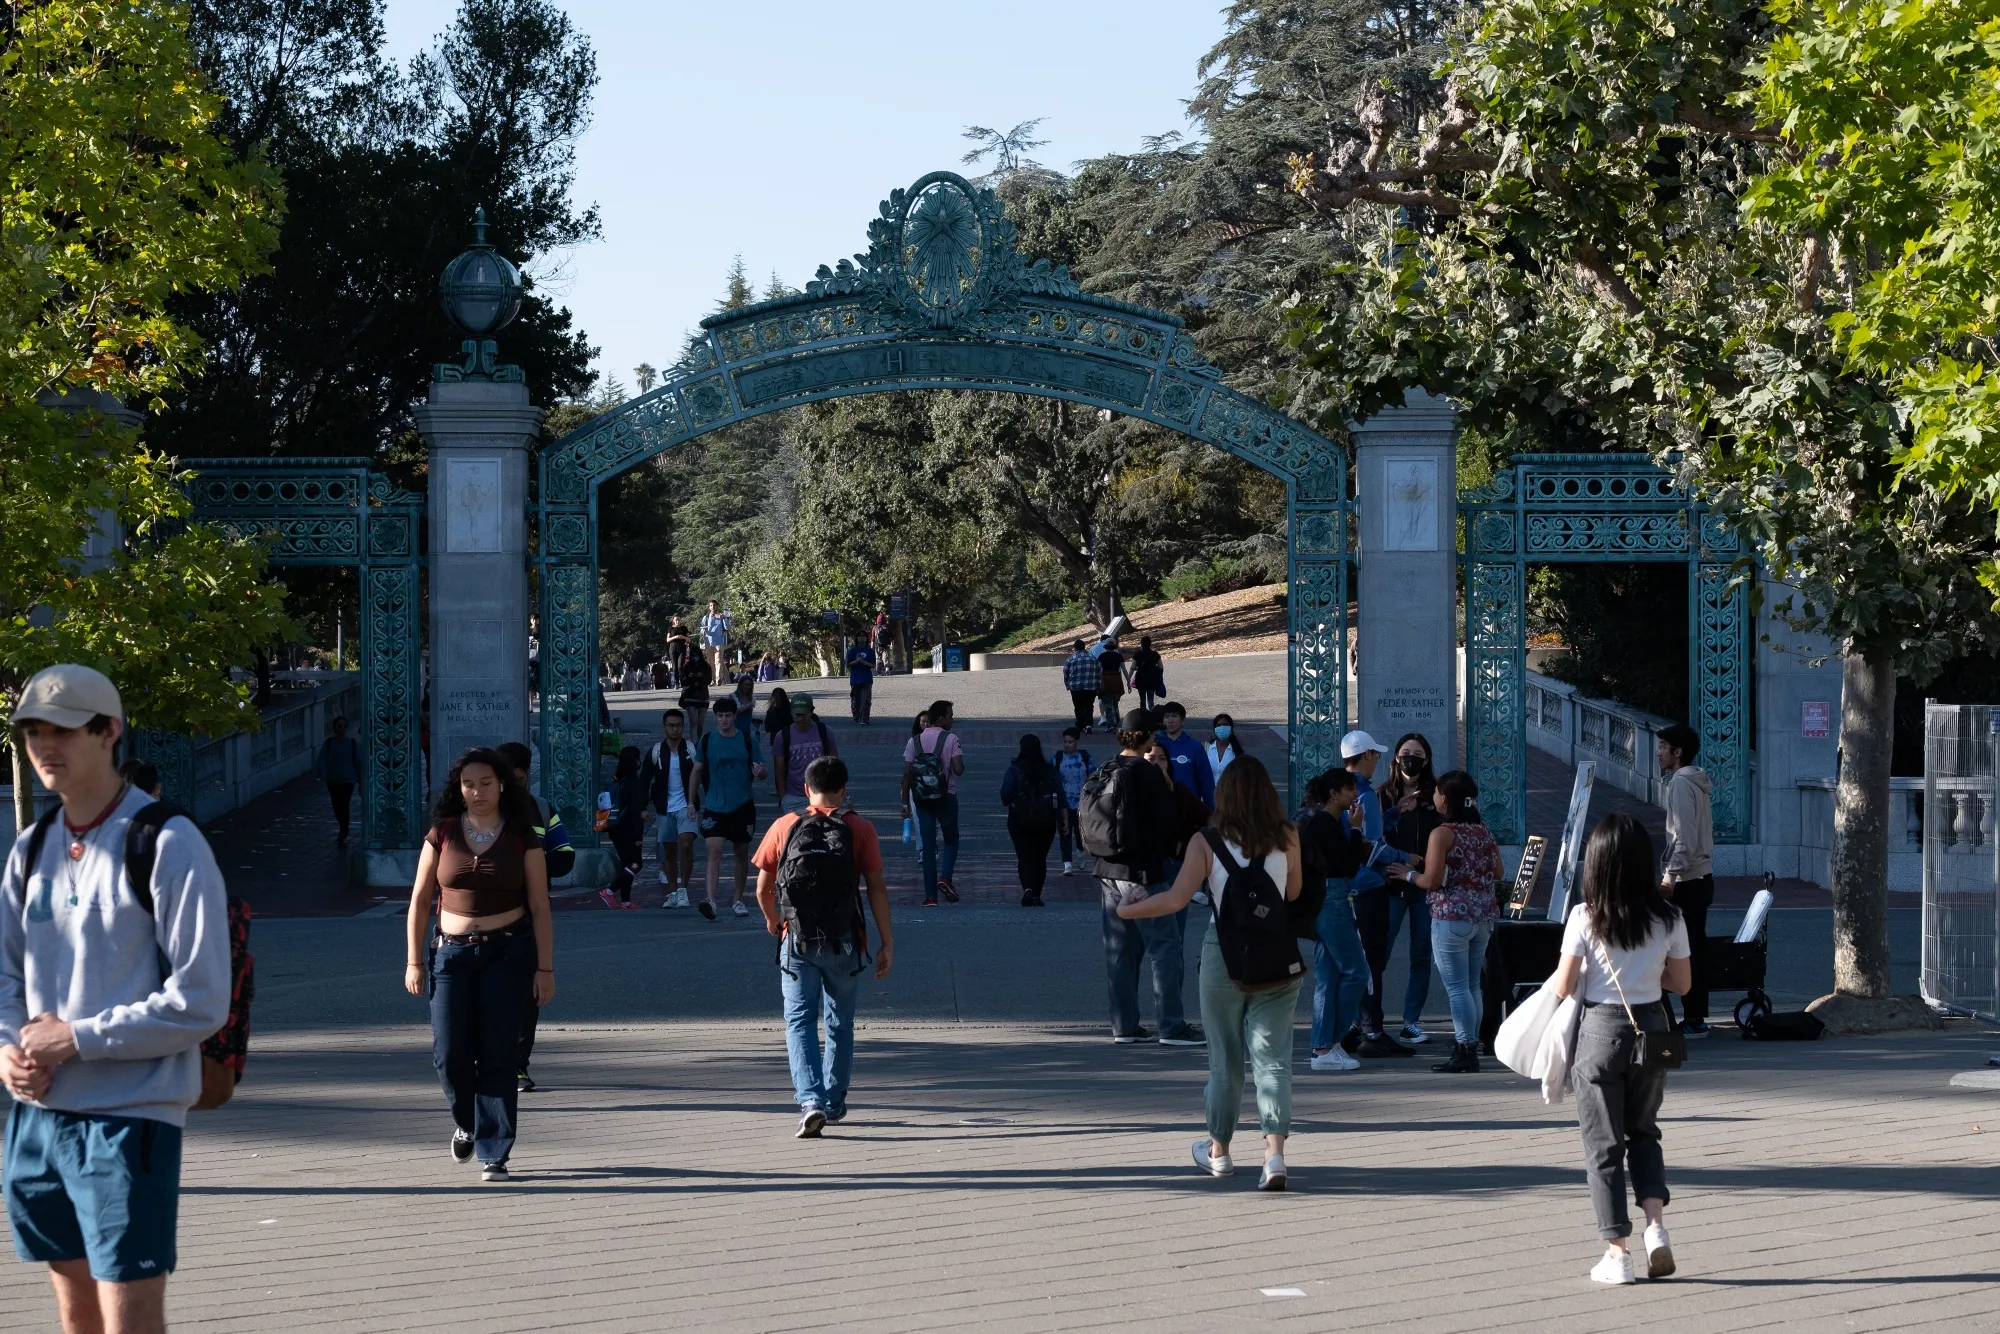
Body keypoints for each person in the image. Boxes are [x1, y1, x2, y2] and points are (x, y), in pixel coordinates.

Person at [3, 665, 231, 1333]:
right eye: (32, 732)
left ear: (110, 732)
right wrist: (6, 1050)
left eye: (65, 730)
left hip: (130, 1118)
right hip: (37, 1115)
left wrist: (75, 1037)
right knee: (77, 1316)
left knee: (129, 1319)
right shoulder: (31, 846)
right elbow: (4, 974)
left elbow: (200, 997)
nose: (45, 746)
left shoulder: (166, 841)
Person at [1119, 755, 1301, 1190]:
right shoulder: (1288, 834)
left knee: (1225, 1060)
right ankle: (1274, 1155)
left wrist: (1129, 910)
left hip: (1224, 956)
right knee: (1273, 1061)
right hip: (1277, 956)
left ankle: (1218, 1152)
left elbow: (1177, 900)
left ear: (1225, 795)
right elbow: (1292, 893)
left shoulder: (1207, 841)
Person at [403, 746, 555, 1182]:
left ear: (502, 784)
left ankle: (494, 1151)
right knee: (450, 1052)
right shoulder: (443, 832)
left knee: (498, 1053)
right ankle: (467, 1121)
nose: (477, 791)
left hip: (507, 953)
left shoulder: (522, 834)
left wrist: (545, 969)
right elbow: (418, 900)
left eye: (486, 783)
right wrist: (414, 961)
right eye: (469, 784)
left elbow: (540, 906)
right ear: (460, 788)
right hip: (450, 954)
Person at [1552, 812, 1691, 1284]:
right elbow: (1683, 984)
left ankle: (1618, 1253)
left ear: (1598, 863)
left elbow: (1565, 985)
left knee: (1603, 1146)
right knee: (1644, 1132)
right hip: (1652, 1028)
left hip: (1601, 1032)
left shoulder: (1585, 916)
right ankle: (1656, 1227)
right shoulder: (1669, 916)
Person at [752, 756, 895, 1137]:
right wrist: (886, 943)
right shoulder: (860, 829)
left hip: (796, 938)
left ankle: (810, 1101)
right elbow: (877, 889)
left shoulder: (785, 825)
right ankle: (833, 1101)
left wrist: (774, 921)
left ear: (805, 788)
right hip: (845, 938)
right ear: (845, 791)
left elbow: (763, 889)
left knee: (799, 1021)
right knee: (840, 1022)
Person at [1090, 710, 1200, 1047]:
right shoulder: (1146, 773)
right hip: (1143, 873)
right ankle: (1171, 1026)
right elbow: (1168, 825)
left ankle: (1124, 1026)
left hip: (1108, 869)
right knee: (1164, 946)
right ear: (1147, 736)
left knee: (1119, 951)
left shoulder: (1106, 768)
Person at [1387, 770, 1500, 1073]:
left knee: (1457, 987)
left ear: (1446, 799)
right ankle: (1471, 1042)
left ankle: (1465, 1048)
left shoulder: (1443, 833)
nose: (1434, 797)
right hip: (1482, 916)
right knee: (1473, 985)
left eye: (1437, 792)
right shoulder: (1483, 831)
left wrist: (1408, 875)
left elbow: (1431, 879)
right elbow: (1498, 871)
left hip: (1450, 915)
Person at [496, 741, 575, 1093]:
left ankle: (517, 1066)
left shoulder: (542, 810)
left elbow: (566, 856)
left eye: (515, 777)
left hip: (530, 918)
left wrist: (534, 866)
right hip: (488, 919)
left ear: (526, 775)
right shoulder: (486, 813)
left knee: (529, 996)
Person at [1337, 730, 1410, 1059]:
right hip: (1367, 886)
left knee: (1360, 961)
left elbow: (1368, 833)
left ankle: (1357, 1025)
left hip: (1353, 885)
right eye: (1375, 754)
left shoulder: (1344, 791)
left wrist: (1393, 814)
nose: (1379, 759)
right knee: (1370, 962)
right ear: (1364, 756)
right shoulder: (1363, 795)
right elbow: (1372, 846)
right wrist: (1405, 858)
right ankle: (1371, 1030)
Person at [1369, 732, 1441, 1046]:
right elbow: (1371, 840)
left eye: (1417, 753)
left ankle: (1411, 1021)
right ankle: (1369, 1020)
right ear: (1396, 758)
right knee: (1378, 954)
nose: (1410, 758)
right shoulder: (1381, 796)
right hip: (1391, 885)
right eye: (1405, 752)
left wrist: (1422, 867)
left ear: (1426, 760)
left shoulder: (1435, 797)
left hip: (1424, 885)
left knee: (1421, 954)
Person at [1300, 769, 1370, 1073]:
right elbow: (1348, 865)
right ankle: (1333, 1039)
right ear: (1334, 793)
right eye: (1349, 790)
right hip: (1332, 899)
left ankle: (1324, 1047)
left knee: (1328, 976)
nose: (1354, 796)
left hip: (1324, 898)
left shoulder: (1323, 821)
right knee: (1356, 971)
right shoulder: (1326, 823)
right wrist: (1356, 830)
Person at [1657, 723, 1714, 1038]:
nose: (1659, 752)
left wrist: (1669, 877)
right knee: (1693, 947)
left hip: (1688, 881)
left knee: (1679, 950)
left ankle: (1693, 1019)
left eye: (1663, 746)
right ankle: (1695, 1016)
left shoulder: (1681, 782)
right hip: (1703, 876)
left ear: (1678, 752)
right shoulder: (1696, 780)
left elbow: (1685, 838)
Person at [691, 697, 766, 920]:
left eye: (727, 715)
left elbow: (762, 771)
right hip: (715, 805)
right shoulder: (706, 741)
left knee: (741, 853)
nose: (723, 720)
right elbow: (696, 771)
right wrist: (690, 801)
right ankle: (710, 900)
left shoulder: (747, 739)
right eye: (720, 716)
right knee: (714, 850)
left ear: (735, 716)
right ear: (716, 718)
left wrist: (761, 773)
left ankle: (738, 899)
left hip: (742, 804)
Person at [903, 701, 964, 906]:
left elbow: (907, 774)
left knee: (928, 847)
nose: (952, 719)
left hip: (921, 798)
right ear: (941, 718)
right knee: (951, 840)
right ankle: (945, 878)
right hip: (946, 796)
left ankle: (930, 897)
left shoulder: (915, 741)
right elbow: (958, 770)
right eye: (950, 716)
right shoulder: (951, 739)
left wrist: (904, 803)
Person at [641, 711, 698, 907]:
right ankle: (673, 891)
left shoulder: (690, 750)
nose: (675, 729)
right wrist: (643, 806)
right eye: (671, 725)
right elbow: (645, 780)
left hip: (686, 806)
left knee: (686, 843)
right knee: (669, 852)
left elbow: (701, 774)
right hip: (664, 808)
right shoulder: (656, 752)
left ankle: (683, 888)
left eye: (678, 725)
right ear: (664, 726)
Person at [1000, 735, 1062, 907]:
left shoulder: (1015, 770)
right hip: (1045, 819)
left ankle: (1027, 888)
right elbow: (1060, 793)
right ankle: (1036, 893)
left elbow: (1005, 795)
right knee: (1040, 857)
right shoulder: (1049, 770)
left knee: (1024, 854)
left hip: (1019, 819)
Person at [598, 746, 646, 910]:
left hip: (615, 827)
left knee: (627, 863)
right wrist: (639, 835)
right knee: (636, 864)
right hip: (629, 830)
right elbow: (635, 811)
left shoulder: (618, 779)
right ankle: (610, 891)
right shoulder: (634, 782)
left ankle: (625, 901)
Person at [773, 694, 837, 817]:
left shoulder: (825, 732)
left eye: (803, 714)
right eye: (796, 714)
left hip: (821, 795)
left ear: (811, 711)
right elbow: (778, 771)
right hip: (793, 798)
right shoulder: (782, 736)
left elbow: (834, 764)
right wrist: (783, 797)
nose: (799, 719)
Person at [1155, 702, 1215, 808]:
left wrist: (1212, 811)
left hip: (1189, 809)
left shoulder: (1195, 748)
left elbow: (1206, 783)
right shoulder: (1155, 747)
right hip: (1161, 808)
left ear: (1182, 720)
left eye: (1174, 716)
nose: (1170, 720)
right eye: (1166, 717)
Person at [315, 714, 363, 845]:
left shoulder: (352, 744)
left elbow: (358, 762)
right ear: (335, 728)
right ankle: (343, 827)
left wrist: (360, 780)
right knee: (336, 806)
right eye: (339, 726)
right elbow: (322, 759)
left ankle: (343, 830)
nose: (341, 728)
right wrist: (323, 773)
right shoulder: (329, 743)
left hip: (348, 780)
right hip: (333, 779)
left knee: (344, 805)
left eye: (344, 726)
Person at [1055, 726, 1094, 876]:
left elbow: (1093, 776)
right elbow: (1052, 777)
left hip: (1082, 802)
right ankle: (1067, 864)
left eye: (1070, 742)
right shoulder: (1058, 758)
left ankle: (1080, 850)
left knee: (1080, 833)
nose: (1067, 745)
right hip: (1063, 803)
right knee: (1065, 832)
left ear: (1076, 741)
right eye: (1065, 741)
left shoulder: (1085, 757)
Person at [900, 711, 929, 850]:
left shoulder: (940, 739)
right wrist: (904, 787)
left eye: (928, 722)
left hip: (934, 784)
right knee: (917, 818)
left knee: (928, 818)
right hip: (917, 784)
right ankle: (922, 848)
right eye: (923, 721)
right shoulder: (914, 741)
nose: (926, 724)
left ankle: (927, 846)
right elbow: (907, 768)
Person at [1061, 638, 1101, 733]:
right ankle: (1088, 724)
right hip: (1091, 687)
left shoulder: (1071, 659)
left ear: (1075, 648)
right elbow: (1099, 671)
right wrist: (1098, 684)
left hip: (1076, 687)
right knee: (1089, 705)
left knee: (1078, 706)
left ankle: (1080, 724)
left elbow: (1065, 672)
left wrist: (1067, 684)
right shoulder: (1093, 658)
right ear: (1084, 647)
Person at [677, 650, 713, 740]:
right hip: (690, 696)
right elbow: (682, 681)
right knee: (693, 722)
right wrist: (690, 677)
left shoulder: (706, 666)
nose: (695, 657)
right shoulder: (687, 667)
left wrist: (701, 676)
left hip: (703, 696)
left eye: (696, 655)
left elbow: (708, 680)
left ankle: (699, 740)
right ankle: (694, 742)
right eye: (693, 656)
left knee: (700, 724)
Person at [1095, 637, 1129, 731]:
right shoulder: (1119, 656)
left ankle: (1111, 724)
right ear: (1114, 646)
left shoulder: (1102, 656)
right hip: (1116, 679)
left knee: (1107, 703)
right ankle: (1116, 720)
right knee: (1115, 702)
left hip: (1105, 679)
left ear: (1106, 646)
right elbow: (1124, 670)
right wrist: (1128, 682)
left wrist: (1096, 681)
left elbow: (1098, 670)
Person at [844, 637, 877, 725]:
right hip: (855, 678)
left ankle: (865, 719)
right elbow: (847, 664)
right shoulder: (852, 650)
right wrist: (857, 662)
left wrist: (865, 663)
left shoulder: (870, 651)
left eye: (864, 636)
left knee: (866, 700)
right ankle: (856, 715)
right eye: (859, 636)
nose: (862, 638)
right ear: (857, 638)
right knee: (855, 699)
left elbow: (874, 665)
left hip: (867, 677)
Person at [1131, 635, 1166, 714]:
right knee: (1151, 700)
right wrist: (1159, 676)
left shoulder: (1137, 654)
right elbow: (1161, 667)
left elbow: (1132, 667)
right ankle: (1151, 716)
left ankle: (1143, 717)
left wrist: (1129, 678)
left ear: (1141, 644)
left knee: (1142, 700)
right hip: (1151, 679)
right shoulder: (1155, 654)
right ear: (1150, 644)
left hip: (1140, 679)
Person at [700, 600, 732, 684]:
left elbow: (728, 628)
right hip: (709, 642)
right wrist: (705, 631)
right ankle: (712, 679)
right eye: (711, 605)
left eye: (714, 605)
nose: (713, 607)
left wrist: (724, 618)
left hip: (719, 641)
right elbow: (702, 630)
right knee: (710, 662)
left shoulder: (721, 616)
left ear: (717, 606)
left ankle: (718, 678)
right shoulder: (706, 617)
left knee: (718, 660)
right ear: (709, 607)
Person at [1206, 713, 1244, 781]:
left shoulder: (1237, 751)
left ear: (1231, 728)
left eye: (1225, 724)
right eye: (1219, 725)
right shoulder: (1207, 748)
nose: (1222, 728)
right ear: (1215, 729)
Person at [664, 617, 694, 690]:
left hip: (682, 648)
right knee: (675, 667)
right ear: (673, 621)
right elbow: (668, 640)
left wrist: (683, 637)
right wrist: (676, 637)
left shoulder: (684, 628)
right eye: (676, 620)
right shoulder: (670, 628)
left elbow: (689, 639)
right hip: (673, 648)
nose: (677, 621)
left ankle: (682, 682)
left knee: (680, 666)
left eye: (678, 620)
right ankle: (676, 683)